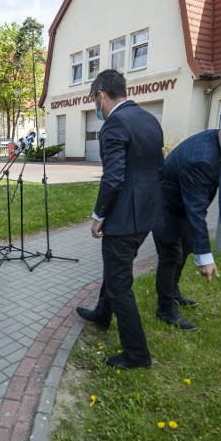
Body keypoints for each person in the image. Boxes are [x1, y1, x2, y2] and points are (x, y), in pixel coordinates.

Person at [75, 69, 165, 369]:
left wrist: (99, 216)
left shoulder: (114, 125)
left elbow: (113, 177)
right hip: (146, 218)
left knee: (120, 286)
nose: (96, 108)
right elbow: (158, 169)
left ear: (101, 94)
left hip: (123, 220)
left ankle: (137, 354)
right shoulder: (150, 121)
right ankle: (102, 314)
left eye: (94, 100)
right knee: (116, 273)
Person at [152, 107, 221, 330]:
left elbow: (194, 205)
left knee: (184, 249)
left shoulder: (217, 140)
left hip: (180, 205)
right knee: (171, 257)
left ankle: (173, 293)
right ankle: (165, 309)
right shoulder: (202, 158)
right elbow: (196, 209)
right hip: (164, 207)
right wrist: (206, 257)